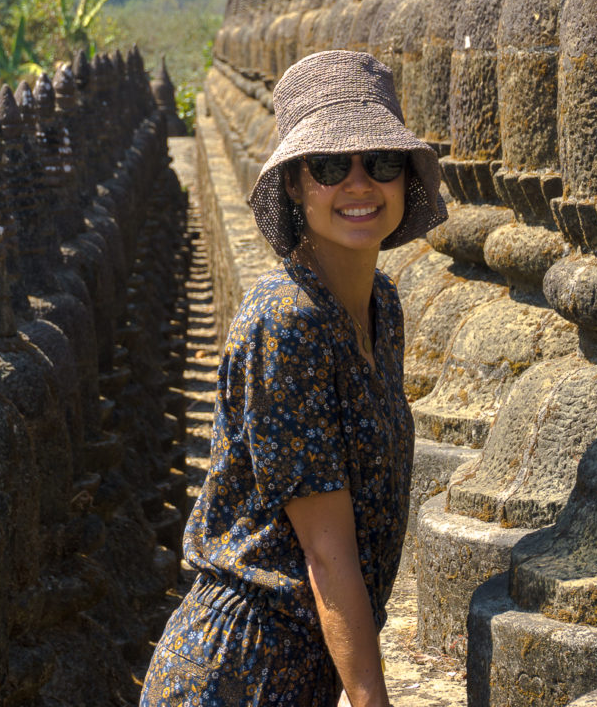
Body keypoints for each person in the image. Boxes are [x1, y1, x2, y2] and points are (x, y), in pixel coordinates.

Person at [140, 50, 447, 707]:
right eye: (331, 167)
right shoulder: (288, 323)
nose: (360, 185)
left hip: (300, 669)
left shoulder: (380, 307)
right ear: (293, 185)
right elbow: (326, 550)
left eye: (381, 164)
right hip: (238, 669)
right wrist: (371, 700)